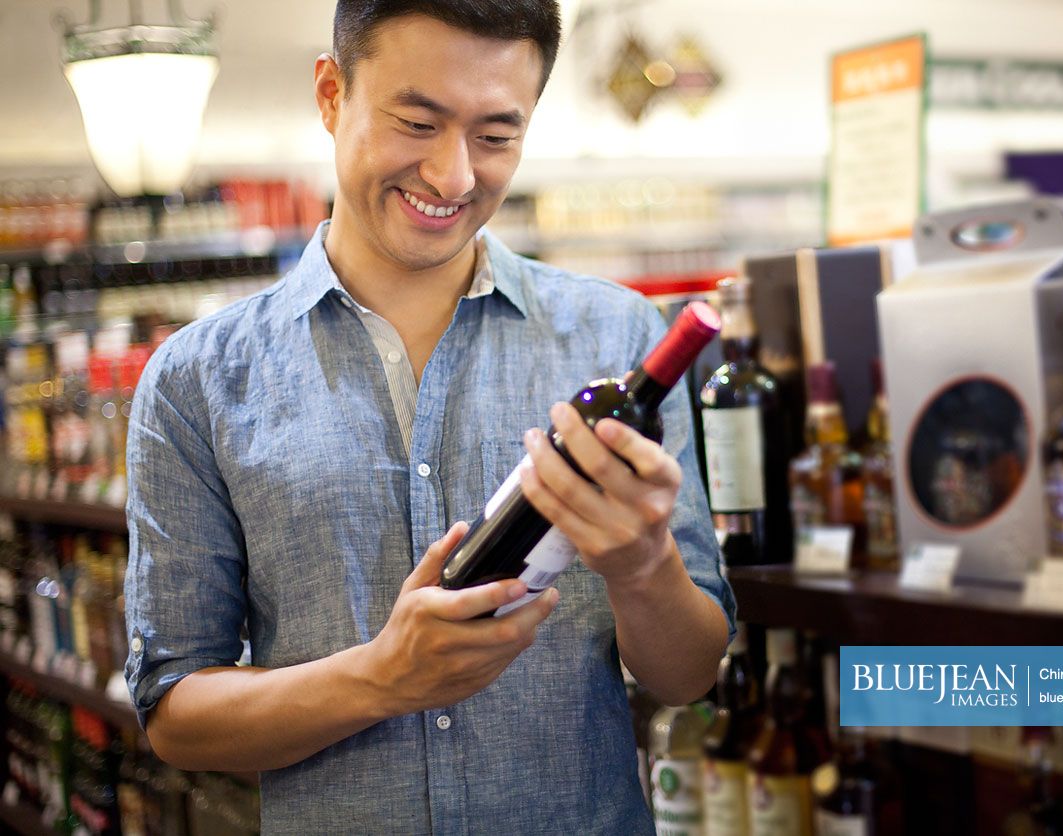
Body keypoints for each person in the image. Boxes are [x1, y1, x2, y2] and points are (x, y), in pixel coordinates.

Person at [123, 1, 736, 832]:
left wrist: (639, 564)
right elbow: (174, 715)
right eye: (417, 121)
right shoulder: (196, 380)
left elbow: (689, 675)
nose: (452, 177)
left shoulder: (616, 338)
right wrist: (383, 676)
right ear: (331, 94)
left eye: (494, 137)